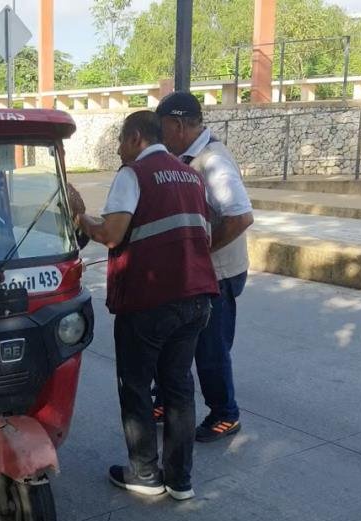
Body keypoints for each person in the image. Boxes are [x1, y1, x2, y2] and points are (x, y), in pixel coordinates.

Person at [69, 111, 217, 500]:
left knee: (136, 387)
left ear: (135, 137)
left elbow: (112, 234)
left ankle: (145, 474)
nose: (119, 150)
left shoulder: (134, 174)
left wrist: (79, 216)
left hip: (150, 302)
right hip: (197, 298)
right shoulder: (191, 176)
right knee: (179, 388)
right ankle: (180, 480)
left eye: (120, 141)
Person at [156, 92, 254, 443]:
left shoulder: (213, 160)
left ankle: (225, 414)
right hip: (195, 273)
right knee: (174, 338)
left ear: (178, 125)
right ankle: (167, 399)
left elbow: (240, 216)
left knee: (209, 348)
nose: (160, 136)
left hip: (218, 273)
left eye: (162, 128)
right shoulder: (183, 156)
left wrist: (203, 252)